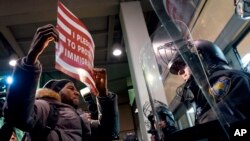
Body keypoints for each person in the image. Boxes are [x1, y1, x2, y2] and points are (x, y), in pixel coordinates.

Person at [3, 24, 119, 141]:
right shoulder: (45, 106)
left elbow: (109, 132)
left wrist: (104, 95)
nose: (77, 93)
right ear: (56, 92)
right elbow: (17, 115)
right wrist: (30, 60)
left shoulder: (82, 119)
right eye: (70, 88)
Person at [168, 39, 250, 125]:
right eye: (178, 71)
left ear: (202, 59)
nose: (180, 73)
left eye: (183, 64)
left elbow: (226, 127)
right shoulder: (202, 92)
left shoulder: (227, 79)